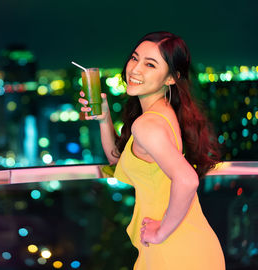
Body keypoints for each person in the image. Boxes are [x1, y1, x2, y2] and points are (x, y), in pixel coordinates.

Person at [79, 31, 226, 269]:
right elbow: (119, 160)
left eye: (150, 64)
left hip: (173, 250)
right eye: (135, 58)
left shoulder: (147, 124)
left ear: (171, 78)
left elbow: (187, 180)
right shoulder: (164, 112)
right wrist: (104, 118)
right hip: (186, 242)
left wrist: (160, 233)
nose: (135, 69)